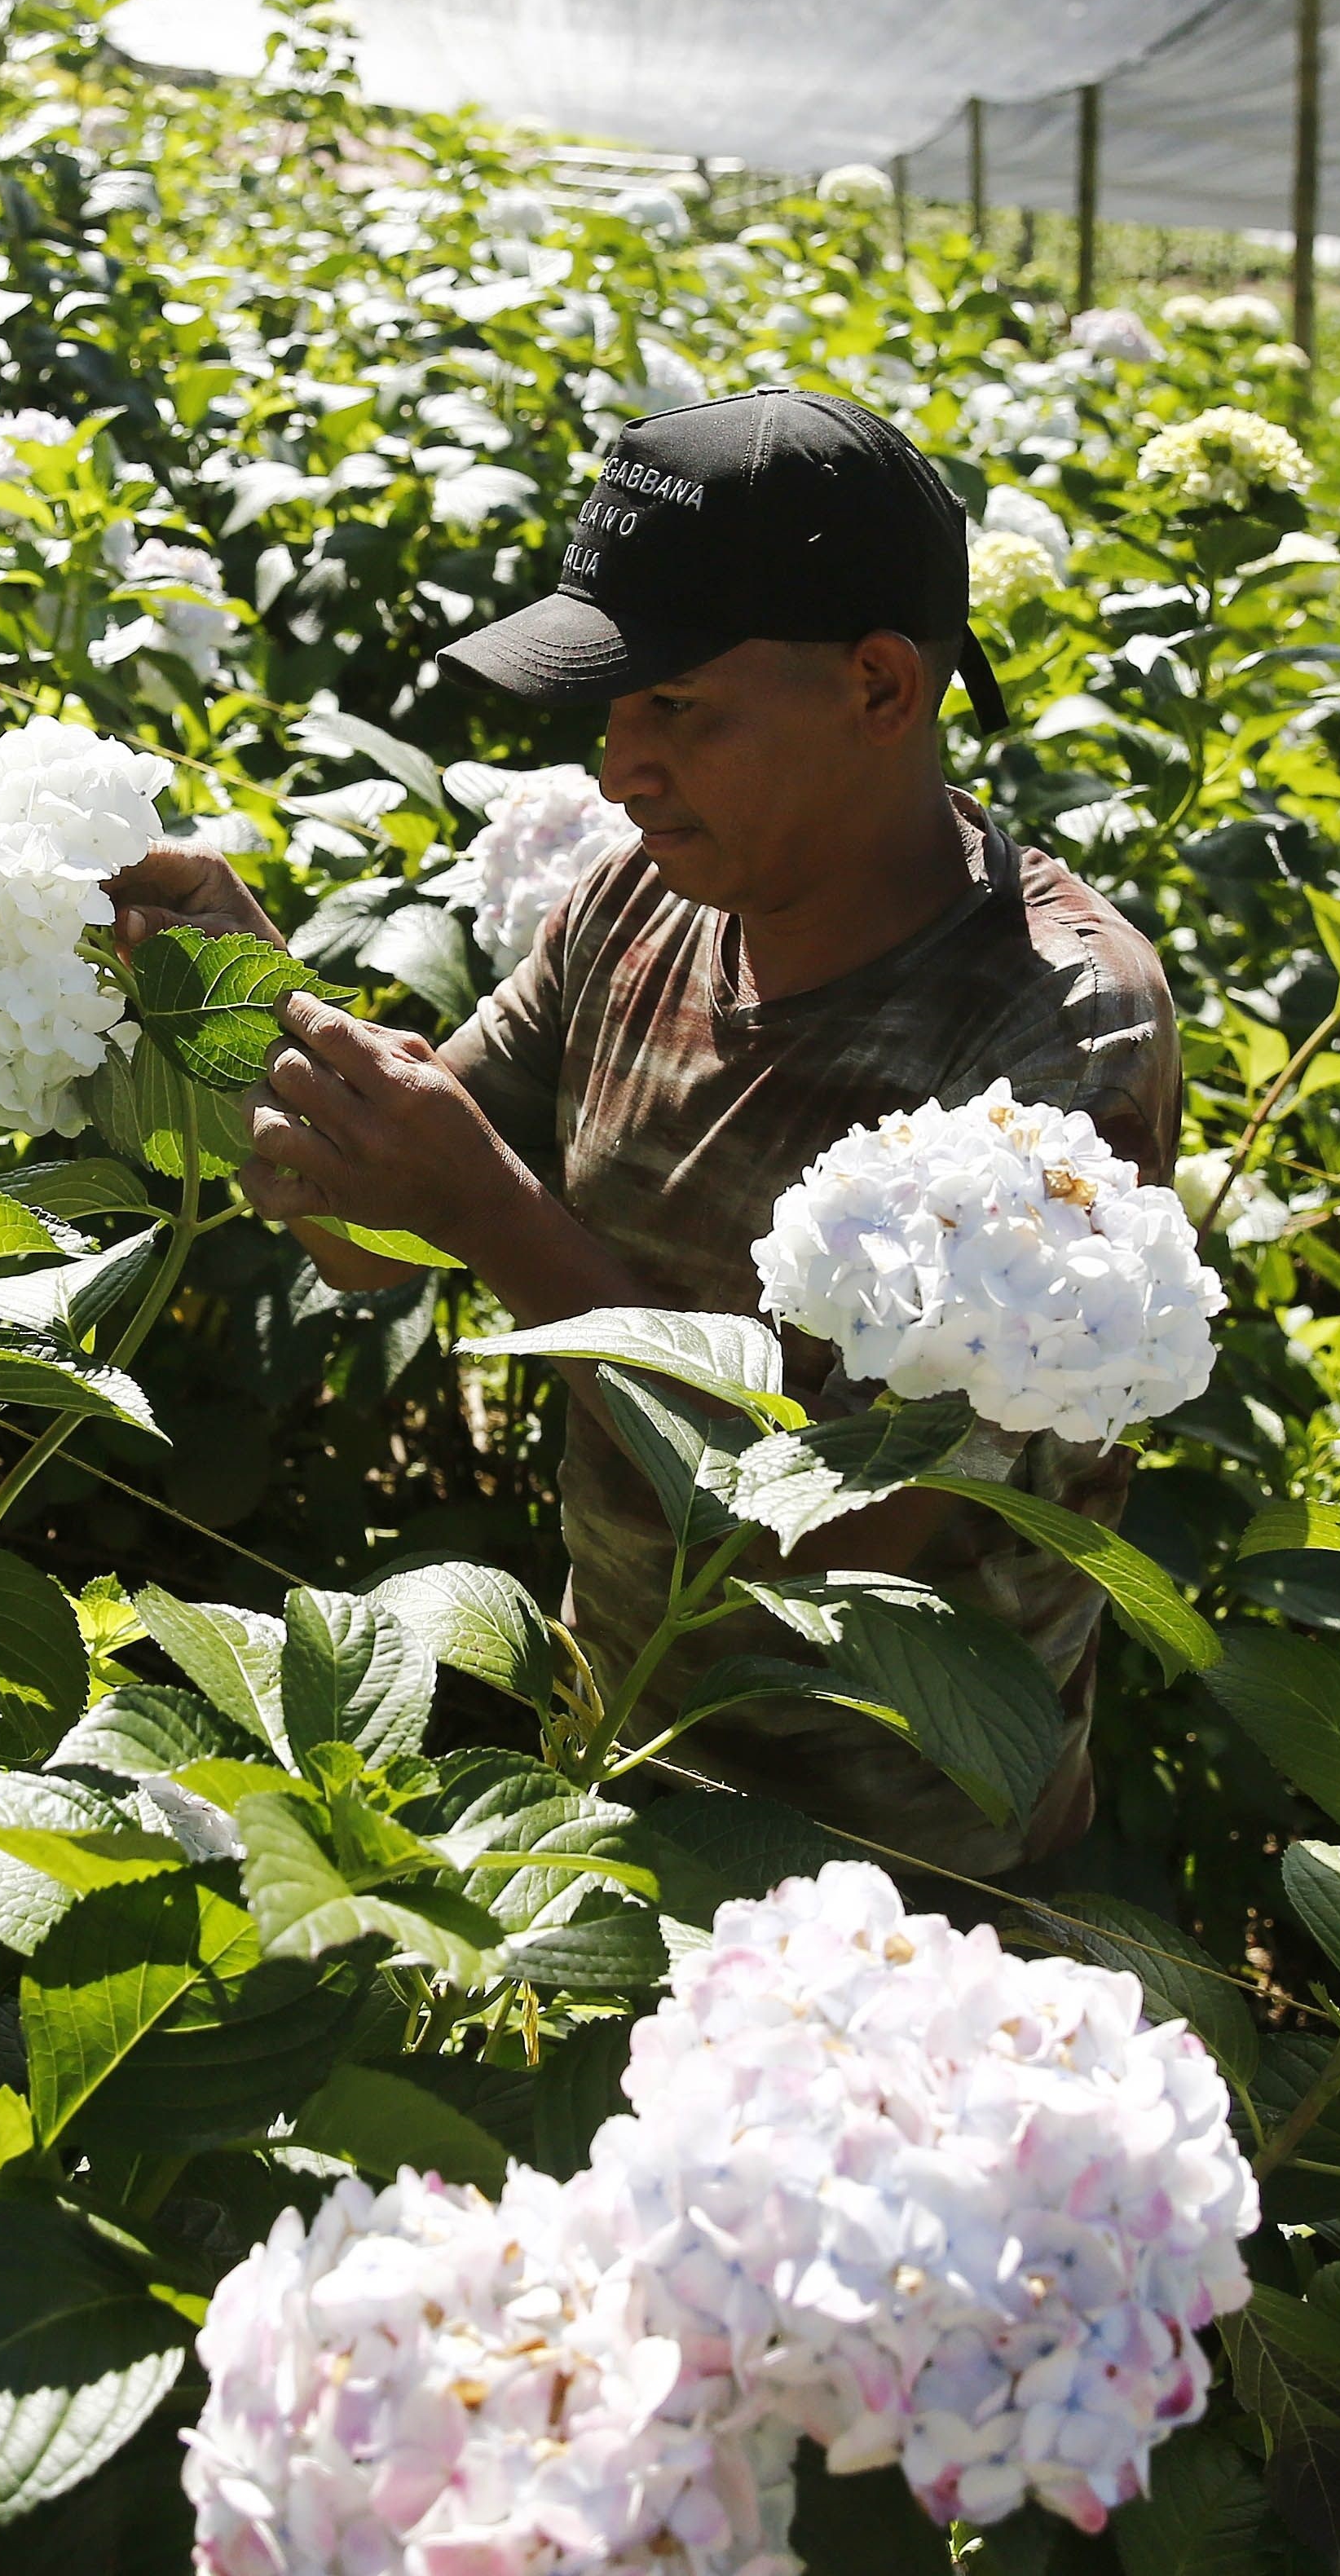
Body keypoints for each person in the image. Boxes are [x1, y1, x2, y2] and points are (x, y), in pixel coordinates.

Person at [104, 387, 1179, 1880]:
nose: (619, 768)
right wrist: (236, 991)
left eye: (674, 704)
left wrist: (491, 1212)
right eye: (612, 708)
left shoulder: (1058, 1037)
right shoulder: (643, 901)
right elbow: (355, 1231)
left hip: (900, 1865)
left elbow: (833, 1541)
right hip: (616, 1764)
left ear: (880, 685)